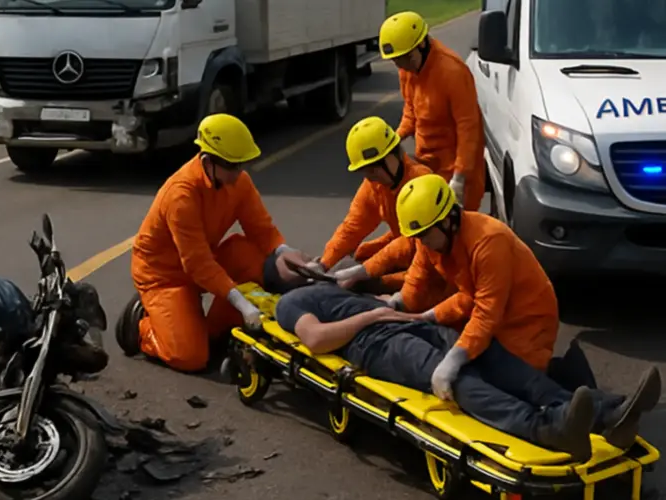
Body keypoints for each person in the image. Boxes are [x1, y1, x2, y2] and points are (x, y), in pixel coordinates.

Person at [274, 283, 662, 460]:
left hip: (411, 325)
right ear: (277, 275)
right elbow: (316, 339)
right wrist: (373, 314)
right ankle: (546, 428)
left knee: (488, 354)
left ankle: (608, 411)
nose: (304, 259)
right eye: (288, 261)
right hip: (379, 346)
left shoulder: (337, 287)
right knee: (460, 380)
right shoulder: (291, 301)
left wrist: (376, 294)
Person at [124, 113, 310, 372]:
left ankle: (211, 330)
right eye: (232, 166)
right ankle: (142, 325)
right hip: (165, 276)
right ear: (207, 161)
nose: (239, 172)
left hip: (205, 260)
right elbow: (196, 263)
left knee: (251, 257)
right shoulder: (181, 195)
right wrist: (242, 303)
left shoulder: (237, 181)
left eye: (241, 164)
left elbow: (261, 229)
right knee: (189, 357)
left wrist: (284, 252)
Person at [387, 173, 564, 403]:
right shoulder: (433, 238)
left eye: (425, 234)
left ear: (448, 219)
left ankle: (588, 407)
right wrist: (398, 305)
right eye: (417, 236)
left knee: (516, 385)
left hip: (527, 321)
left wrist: (453, 359)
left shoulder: (489, 241)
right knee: (478, 365)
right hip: (495, 314)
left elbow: (486, 313)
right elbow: (420, 282)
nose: (422, 241)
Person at [305, 117, 431, 292]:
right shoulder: (374, 186)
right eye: (364, 171)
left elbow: (413, 242)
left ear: (393, 154)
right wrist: (324, 264)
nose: (370, 176)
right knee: (358, 257)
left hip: (430, 262)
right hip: (402, 253)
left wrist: (366, 271)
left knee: (369, 282)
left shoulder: (422, 183)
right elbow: (352, 228)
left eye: (373, 168)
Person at [379, 11, 486, 211]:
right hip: (427, 165)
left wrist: (460, 178)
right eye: (396, 61)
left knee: (457, 233)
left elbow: (469, 128)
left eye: (405, 58)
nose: (401, 66)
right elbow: (411, 111)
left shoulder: (451, 71)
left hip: (457, 169)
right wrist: (395, 138)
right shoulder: (408, 69)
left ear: (421, 45)